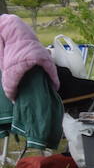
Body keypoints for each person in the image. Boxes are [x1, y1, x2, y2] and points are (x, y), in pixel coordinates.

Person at [0, 13, 62, 151]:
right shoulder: (13, 22)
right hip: (42, 82)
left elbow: (3, 64)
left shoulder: (15, 60)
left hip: (18, 88)